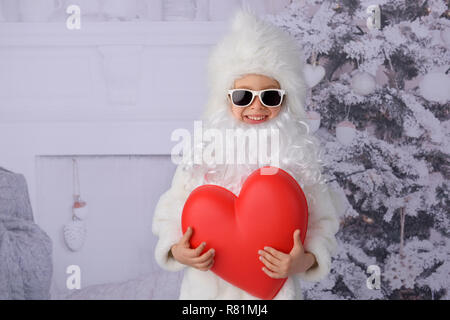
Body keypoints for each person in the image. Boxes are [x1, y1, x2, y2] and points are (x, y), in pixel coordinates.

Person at [152, 8, 340, 300]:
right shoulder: (205, 155)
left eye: (270, 96)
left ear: (286, 101)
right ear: (224, 100)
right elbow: (170, 211)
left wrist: (306, 260)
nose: (256, 107)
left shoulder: (298, 159)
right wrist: (176, 250)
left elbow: (324, 223)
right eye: (243, 97)